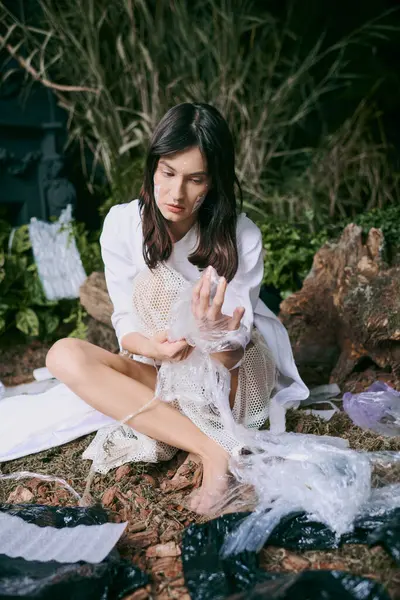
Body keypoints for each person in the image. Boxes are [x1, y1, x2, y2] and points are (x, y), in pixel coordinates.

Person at [46, 102, 308, 514]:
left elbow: (236, 352)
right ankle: (211, 449)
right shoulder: (122, 224)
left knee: (225, 351)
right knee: (64, 355)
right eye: (167, 173)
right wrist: (157, 350)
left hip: (233, 383)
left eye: (194, 179)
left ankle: (209, 438)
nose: (176, 193)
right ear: (153, 166)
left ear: (214, 182)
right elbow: (125, 326)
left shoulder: (241, 235)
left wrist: (213, 331)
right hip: (166, 369)